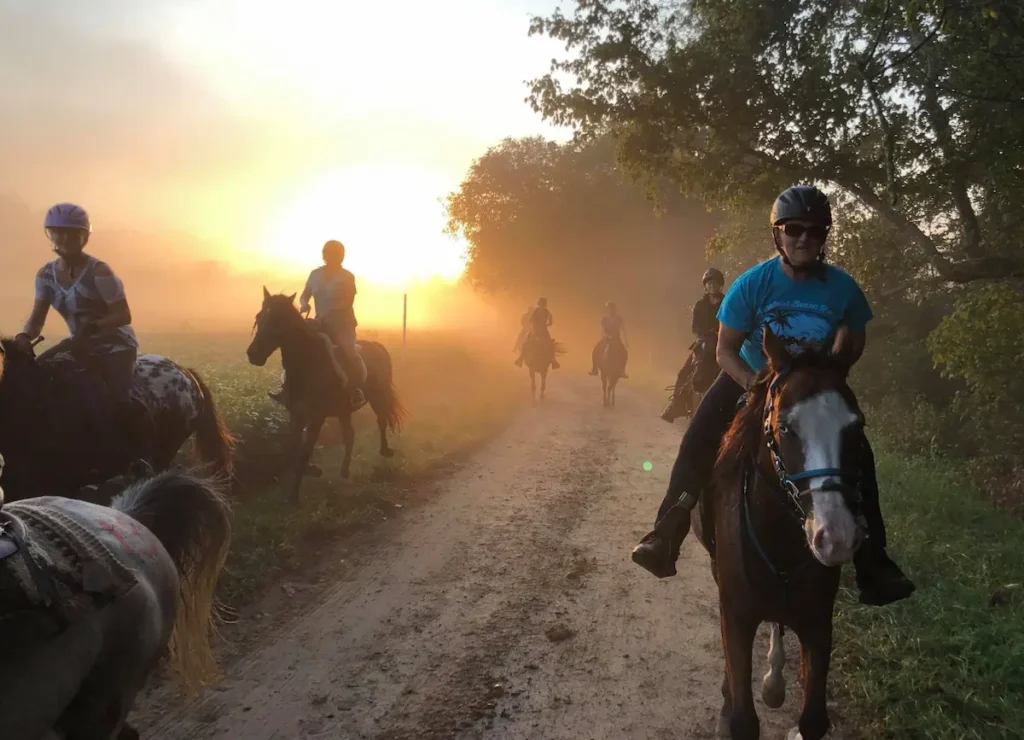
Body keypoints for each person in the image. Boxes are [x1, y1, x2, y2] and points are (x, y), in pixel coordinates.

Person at [631, 185, 915, 607]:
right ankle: (666, 532)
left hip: (813, 384)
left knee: (859, 452)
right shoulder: (752, 285)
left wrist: (832, 375)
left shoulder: (843, 290)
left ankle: (873, 562)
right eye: (794, 229)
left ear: (824, 237)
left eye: (815, 231)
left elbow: (853, 340)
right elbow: (725, 349)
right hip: (751, 375)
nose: (804, 238)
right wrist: (753, 385)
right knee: (699, 434)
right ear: (777, 235)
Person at [14, 202, 142, 468]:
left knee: (118, 399)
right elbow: (37, 317)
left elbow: (123, 315)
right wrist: (24, 337)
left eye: (72, 233)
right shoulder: (45, 275)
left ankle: (135, 458)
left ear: (84, 236)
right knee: (35, 380)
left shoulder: (100, 272)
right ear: (50, 234)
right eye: (58, 232)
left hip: (114, 345)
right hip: (78, 344)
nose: (64, 239)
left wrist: (95, 327)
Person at [269, 239, 366, 410]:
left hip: (342, 323)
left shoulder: (347, 276)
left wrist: (328, 313)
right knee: (297, 346)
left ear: (341, 256)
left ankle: (355, 389)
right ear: (324, 255)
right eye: (328, 254)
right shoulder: (315, 274)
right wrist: (304, 304)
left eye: (335, 255)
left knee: (348, 350)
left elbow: (347, 301)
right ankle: (287, 388)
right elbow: (304, 295)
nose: (331, 257)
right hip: (320, 321)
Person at [661, 268, 725, 422]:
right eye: (709, 283)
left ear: (719, 284)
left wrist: (720, 333)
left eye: (714, 282)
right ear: (705, 286)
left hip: (723, 342)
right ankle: (675, 406)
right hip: (704, 343)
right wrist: (705, 334)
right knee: (683, 373)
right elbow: (695, 327)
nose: (711, 286)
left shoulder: (727, 302)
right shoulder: (700, 305)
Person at [514, 297, 560, 370]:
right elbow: (550, 323)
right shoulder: (547, 311)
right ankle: (554, 361)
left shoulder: (536, 310)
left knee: (525, 342)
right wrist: (545, 324)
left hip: (535, 330)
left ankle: (520, 359)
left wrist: (535, 324)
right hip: (544, 331)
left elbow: (530, 320)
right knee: (550, 345)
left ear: (539, 303)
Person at [588, 301, 629, 377]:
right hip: (606, 338)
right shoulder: (604, 319)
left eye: (612, 309)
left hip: (616, 339)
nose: (610, 310)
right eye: (609, 309)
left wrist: (626, 341)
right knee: (595, 350)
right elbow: (602, 329)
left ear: (614, 309)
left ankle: (622, 371)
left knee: (624, 352)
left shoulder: (619, 319)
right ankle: (595, 369)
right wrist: (604, 336)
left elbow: (623, 330)